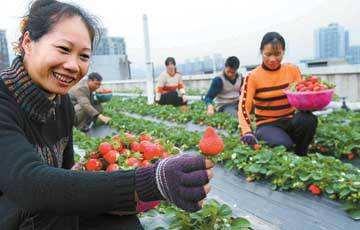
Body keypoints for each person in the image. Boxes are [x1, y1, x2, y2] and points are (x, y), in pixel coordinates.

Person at [0, 1, 214, 229]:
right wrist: (150, 181)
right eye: (63, 49)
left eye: (83, 56)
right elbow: (30, 184)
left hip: (49, 213)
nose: (73, 65)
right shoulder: (5, 101)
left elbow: (68, 173)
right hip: (15, 219)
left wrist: (118, 196)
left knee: (123, 223)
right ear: (28, 43)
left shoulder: (61, 103)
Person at [238, 32, 318, 156]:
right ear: (261, 52)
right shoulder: (252, 76)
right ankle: (289, 148)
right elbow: (244, 107)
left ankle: (301, 154)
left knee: (308, 119)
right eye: (268, 54)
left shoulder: (293, 70)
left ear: (283, 52)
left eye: (277, 54)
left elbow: (301, 96)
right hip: (267, 125)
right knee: (283, 145)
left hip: (290, 120)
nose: (273, 59)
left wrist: (312, 100)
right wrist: (247, 132)